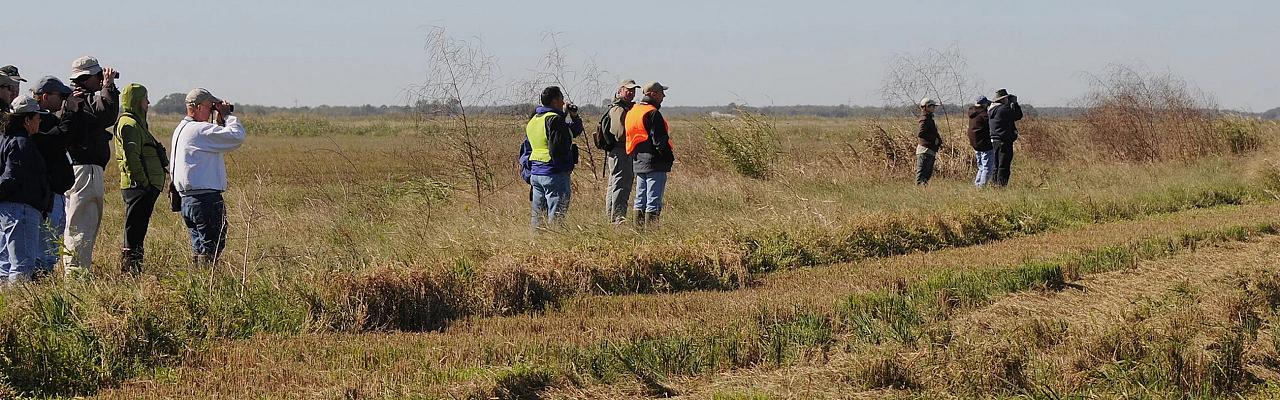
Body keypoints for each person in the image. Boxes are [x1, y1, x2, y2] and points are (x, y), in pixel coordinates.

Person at [171, 88, 245, 264]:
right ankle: (207, 284)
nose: (212, 110)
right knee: (211, 248)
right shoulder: (198, 130)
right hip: (205, 200)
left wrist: (218, 124)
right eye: (210, 106)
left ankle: (199, 282)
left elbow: (215, 142)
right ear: (196, 107)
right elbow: (236, 137)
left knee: (200, 249)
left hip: (188, 200)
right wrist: (227, 117)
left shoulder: (182, 128)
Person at [63, 56, 120, 277]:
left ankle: (78, 271)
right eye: (98, 76)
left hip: (86, 170)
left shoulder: (79, 99)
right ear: (85, 78)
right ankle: (76, 275)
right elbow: (106, 114)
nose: (101, 79)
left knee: (85, 223)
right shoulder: (79, 99)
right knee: (80, 225)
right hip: (84, 169)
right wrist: (108, 87)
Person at [31, 76, 91, 275]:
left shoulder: (46, 118)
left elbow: (72, 135)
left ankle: (42, 275)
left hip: (55, 191)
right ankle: (40, 278)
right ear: (45, 96)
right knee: (46, 243)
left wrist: (75, 112)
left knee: (51, 241)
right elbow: (58, 139)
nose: (64, 100)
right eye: (61, 96)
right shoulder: (37, 120)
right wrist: (70, 112)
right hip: (48, 192)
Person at [114, 84, 166, 274]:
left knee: (138, 228)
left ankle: (135, 267)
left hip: (144, 187)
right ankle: (130, 270)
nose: (148, 103)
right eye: (145, 99)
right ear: (137, 101)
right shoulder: (129, 125)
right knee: (134, 229)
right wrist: (144, 183)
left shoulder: (137, 123)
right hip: (138, 187)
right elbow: (131, 157)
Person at [0, 96, 52, 283]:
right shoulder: (21, 143)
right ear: (27, 120)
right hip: (20, 209)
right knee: (22, 264)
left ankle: (7, 305)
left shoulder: (5, 140)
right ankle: (18, 306)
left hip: (8, 210)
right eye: (37, 117)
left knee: (5, 264)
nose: (40, 120)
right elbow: (12, 177)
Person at [525, 86, 583, 229]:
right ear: (555, 101)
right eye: (562, 100)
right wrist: (566, 167)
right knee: (557, 215)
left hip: (536, 173)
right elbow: (557, 147)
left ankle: (536, 244)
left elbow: (568, 132)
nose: (563, 103)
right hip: (554, 173)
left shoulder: (534, 120)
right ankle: (555, 243)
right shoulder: (555, 120)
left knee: (538, 216)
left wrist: (571, 117)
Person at [624, 82, 673, 226]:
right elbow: (659, 141)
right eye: (661, 93)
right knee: (653, 200)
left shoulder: (633, 111)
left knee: (640, 199)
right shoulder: (652, 113)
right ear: (652, 94)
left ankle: (638, 231)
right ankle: (651, 234)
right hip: (654, 162)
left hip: (638, 161)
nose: (663, 96)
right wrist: (668, 158)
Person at [600, 79, 641, 224]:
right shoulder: (618, 109)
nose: (631, 93)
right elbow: (619, 132)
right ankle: (617, 219)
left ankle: (613, 219)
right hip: (621, 151)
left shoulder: (623, 107)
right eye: (628, 90)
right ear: (620, 91)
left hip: (620, 152)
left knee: (615, 185)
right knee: (621, 186)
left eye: (633, 90)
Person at [988, 88, 1023, 187]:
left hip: (994, 140)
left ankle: (994, 184)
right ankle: (1001, 187)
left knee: (996, 164)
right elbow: (1018, 115)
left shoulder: (992, 109)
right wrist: (1014, 103)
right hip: (1004, 140)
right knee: (1004, 165)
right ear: (1003, 99)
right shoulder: (1003, 109)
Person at [967, 96, 994, 187]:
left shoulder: (972, 113)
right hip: (984, 143)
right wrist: (991, 109)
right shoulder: (984, 115)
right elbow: (991, 123)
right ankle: (982, 187)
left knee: (981, 167)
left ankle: (977, 185)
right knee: (987, 167)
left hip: (975, 143)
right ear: (984, 104)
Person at [915, 98, 942, 185]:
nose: (934, 108)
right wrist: (934, 139)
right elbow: (920, 133)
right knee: (921, 174)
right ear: (926, 107)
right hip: (925, 149)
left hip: (929, 149)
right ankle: (918, 191)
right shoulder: (924, 118)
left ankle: (923, 191)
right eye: (932, 106)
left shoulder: (928, 117)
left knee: (927, 175)